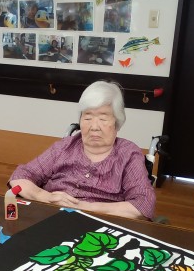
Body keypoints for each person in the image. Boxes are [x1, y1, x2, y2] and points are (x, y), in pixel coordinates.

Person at [9, 81, 156, 220]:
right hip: (51, 217)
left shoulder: (128, 154)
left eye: (103, 119)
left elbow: (143, 204)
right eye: (88, 118)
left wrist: (85, 207)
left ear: (117, 123)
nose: (94, 127)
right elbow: (19, 177)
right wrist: (45, 197)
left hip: (99, 225)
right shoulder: (64, 147)